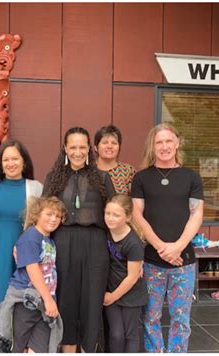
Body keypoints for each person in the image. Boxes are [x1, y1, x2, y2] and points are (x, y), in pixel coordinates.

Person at [131, 123, 204, 353]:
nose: (164, 147)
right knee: (150, 318)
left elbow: (197, 214)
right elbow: (137, 215)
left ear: (177, 143)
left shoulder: (191, 177)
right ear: (153, 146)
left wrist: (178, 247)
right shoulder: (141, 178)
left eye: (168, 141)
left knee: (180, 319)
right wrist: (162, 247)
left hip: (184, 261)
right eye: (159, 142)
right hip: (151, 260)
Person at [43, 126, 116, 353]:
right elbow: (43, 215)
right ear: (65, 148)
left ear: (89, 149)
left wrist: (129, 252)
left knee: (92, 304)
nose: (77, 152)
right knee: (66, 302)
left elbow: (114, 216)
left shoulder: (103, 178)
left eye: (82, 147)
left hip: (95, 246)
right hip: (63, 244)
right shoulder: (53, 178)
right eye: (72, 147)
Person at [0, 139, 43, 347]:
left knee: (21, 308)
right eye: (6, 159)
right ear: (0, 163)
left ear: (24, 162)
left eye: (15, 158)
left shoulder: (35, 188)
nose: (10, 163)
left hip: (22, 258)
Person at [0, 196, 66, 353]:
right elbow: (33, 270)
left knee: (40, 348)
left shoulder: (48, 241)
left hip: (42, 305)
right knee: (17, 348)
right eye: (49, 214)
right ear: (36, 214)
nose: (54, 219)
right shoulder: (30, 237)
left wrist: (48, 301)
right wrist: (49, 300)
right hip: (26, 302)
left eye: (58, 216)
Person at [103, 194, 147, 353]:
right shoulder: (106, 231)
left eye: (116, 215)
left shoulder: (133, 242)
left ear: (128, 217)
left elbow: (132, 277)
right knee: (116, 335)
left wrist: (112, 296)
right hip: (111, 290)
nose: (110, 218)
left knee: (130, 334)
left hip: (130, 294)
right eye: (107, 213)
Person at [94, 125, 135, 195]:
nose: (109, 146)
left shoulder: (128, 171)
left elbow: (135, 200)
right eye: (105, 142)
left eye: (114, 143)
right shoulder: (87, 170)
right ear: (96, 147)